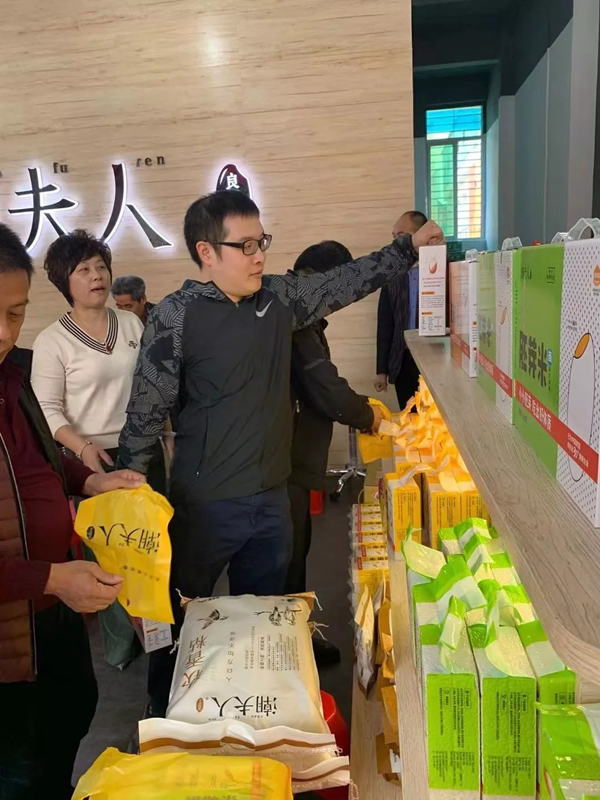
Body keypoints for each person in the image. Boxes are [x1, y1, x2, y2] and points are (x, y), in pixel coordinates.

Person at [118, 190, 442, 712]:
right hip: (204, 505)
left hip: (272, 503)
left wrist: (408, 247)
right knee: (179, 622)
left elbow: (343, 281)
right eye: (245, 246)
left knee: (264, 625)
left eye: (261, 242)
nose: (259, 255)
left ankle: (256, 722)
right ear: (206, 252)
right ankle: (164, 718)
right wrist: (130, 498)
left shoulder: (278, 300)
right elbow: (145, 411)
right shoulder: (176, 316)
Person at [0, 223, 145, 800]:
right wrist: (52, 577)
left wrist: (90, 478)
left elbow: (38, 460)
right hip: (13, 627)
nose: (3, 332)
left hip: (50, 609)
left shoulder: (13, 376)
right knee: (19, 765)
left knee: (69, 719)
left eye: (14, 313)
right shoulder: (52, 347)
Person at [287, 240, 383, 667]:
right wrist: (367, 415)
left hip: (286, 459)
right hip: (282, 462)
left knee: (292, 550)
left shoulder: (295, 310)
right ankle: (290, 650)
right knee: (286, 556)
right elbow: (324, 388)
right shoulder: (297, 319)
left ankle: (293, 640)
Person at [31, 230, 165, 495]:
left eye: (101, 267)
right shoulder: (51, 340)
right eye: (84, 269)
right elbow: (46, 409)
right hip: (92, 458)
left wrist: (167, 436)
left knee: (157, 520)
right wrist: (83, 448)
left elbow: (152, 383)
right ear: (64, 282)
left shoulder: (131, 322)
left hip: (145, 447)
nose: (97, 275)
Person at [374, 210, 428, 410]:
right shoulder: (392, 275)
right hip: (403, 361)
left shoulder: (442, 270)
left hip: (434, 360)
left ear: (421, 234)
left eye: (402, 236)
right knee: (409, 417)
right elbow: (385, 324)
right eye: (394, 237)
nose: (397, 243)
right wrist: (381, 371)